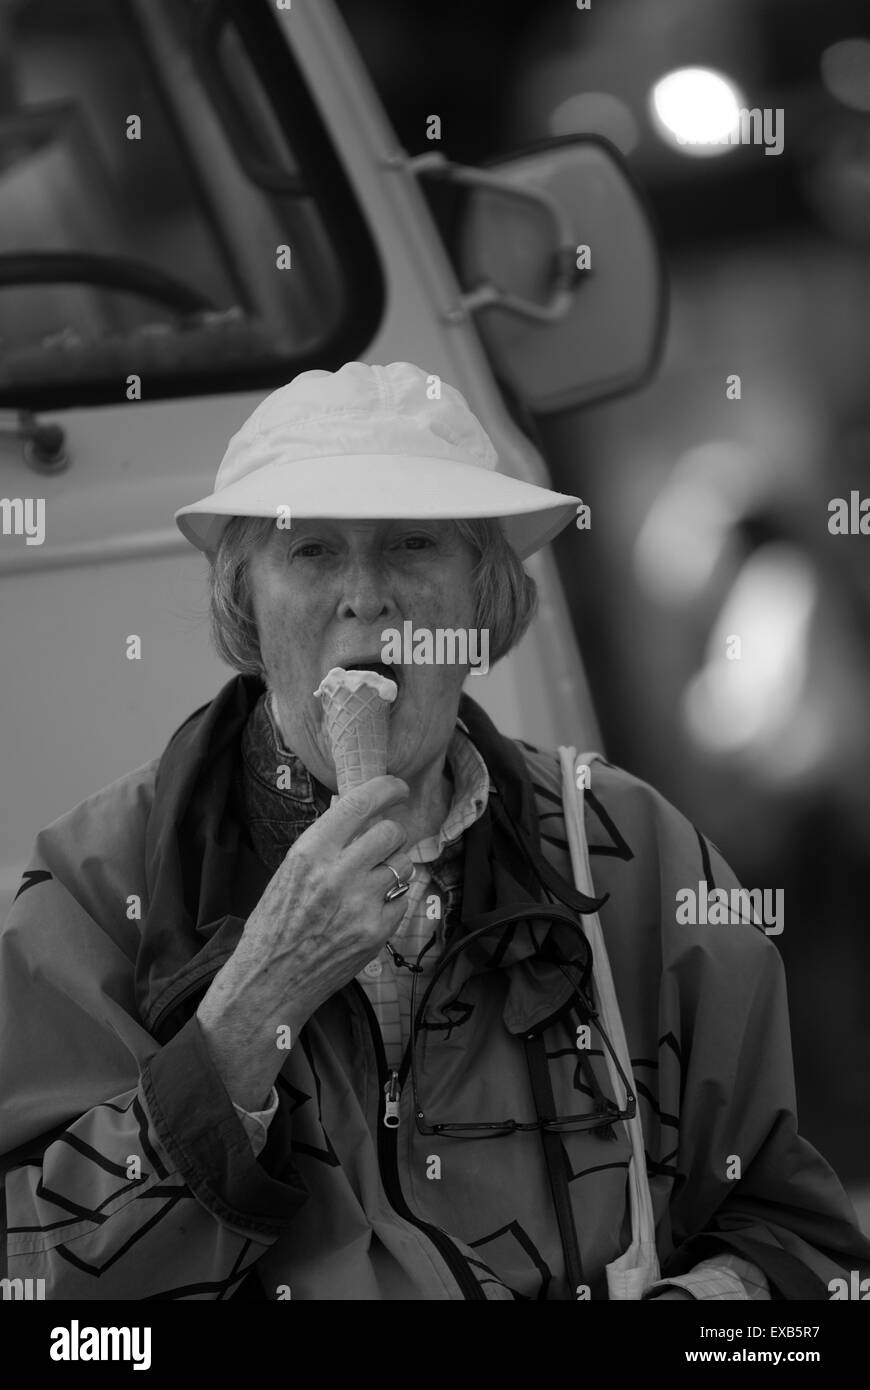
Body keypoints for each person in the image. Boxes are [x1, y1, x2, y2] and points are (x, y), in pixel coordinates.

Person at [1, 361, 867, 1301]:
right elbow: (32, 1283)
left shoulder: (631, 854)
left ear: (484, 601)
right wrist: (249, 1013)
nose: (366, 597)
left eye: (413, 545)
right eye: (313, 551)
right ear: (244, 601)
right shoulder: (97, 885)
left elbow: (802, 1249)